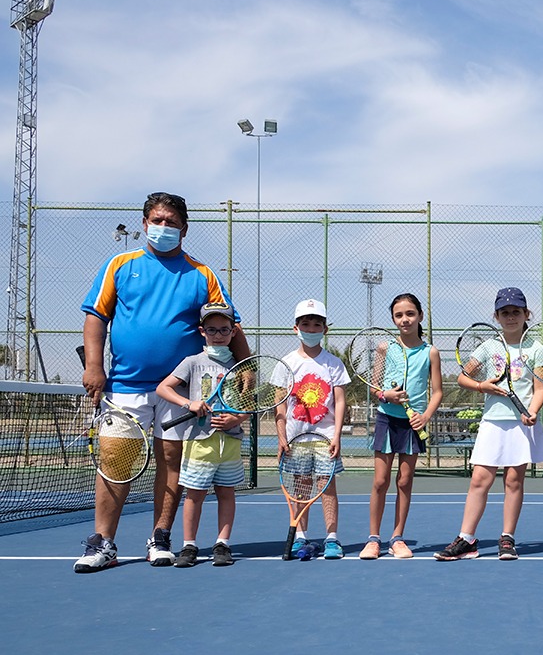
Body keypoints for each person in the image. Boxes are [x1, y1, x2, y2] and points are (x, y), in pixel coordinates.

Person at [75, 191, 249, 574]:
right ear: (144, 224)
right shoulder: (120, 265)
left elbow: (231, 324)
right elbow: (95, 317)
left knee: (172, 462)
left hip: (182, 392)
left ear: (184, 229)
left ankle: (161, 537)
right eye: (157, 220)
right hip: (124, 386)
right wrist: (94, 366)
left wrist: (246, 370)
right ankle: (103, 542)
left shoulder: (203, 274)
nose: (163, 227)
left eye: (171, 222)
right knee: (115, 460)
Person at [435, 288, 543, 561]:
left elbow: (540, 388)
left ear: (526, 314)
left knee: (513, 481)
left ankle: (507, 538)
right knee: (479, 480)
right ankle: (466, 539)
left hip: (522, 424)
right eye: (504, 312)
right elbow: (463, 378)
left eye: (516, 311)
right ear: (496, 316)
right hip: (492, 422)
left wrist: (532, 411)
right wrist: (481, 386)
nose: (511, 317)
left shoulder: (536, 348)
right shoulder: (488, 347)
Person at [154, 303, 247, 567]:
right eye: (212, 329)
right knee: (194, 495)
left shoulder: (241, 367)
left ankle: (222, 544)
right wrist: (189, 404)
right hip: (198, 442)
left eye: (224, 329)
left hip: (229, 443)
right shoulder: (192, 363)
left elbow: (248, 404)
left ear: (233, 332)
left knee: (226, 493)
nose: (218, 335)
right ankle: (189, 545)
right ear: (202, 331)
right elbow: (163, 388)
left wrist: (237, 418)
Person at [360, 293, 443, 560]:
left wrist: (425, 416)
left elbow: (438, 392)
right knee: (380, 481)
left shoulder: (430, 352)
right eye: (398, 315)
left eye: (410, 314)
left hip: (413, 424)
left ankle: (397, 538)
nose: (404, 319)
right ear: (393, 319)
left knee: (404, 481)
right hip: (387, 419)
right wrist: (386, 395)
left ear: (420, 316)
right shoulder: (385, 348)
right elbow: (374, 387)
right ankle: (373, 539)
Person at [275, 299, 350, 559]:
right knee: (301, 487)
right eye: (305, 324)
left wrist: (337, 435)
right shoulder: (286, 363)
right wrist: (282, 437)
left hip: (325, 438)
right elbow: (279, 404)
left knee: (327, 487)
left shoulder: (334, 364)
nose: (311, 328)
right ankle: (301, 537)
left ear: (325, 329)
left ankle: (332, 539)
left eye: (317, 324)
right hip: (296, 438)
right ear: (295, 328)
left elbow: (340, 402)